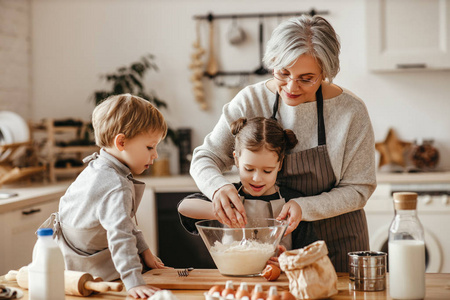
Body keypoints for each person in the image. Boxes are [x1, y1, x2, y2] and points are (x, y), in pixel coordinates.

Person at [189, 15, 376, 272]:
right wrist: (217, 187)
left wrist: (305, 206)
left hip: (336, 240)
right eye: (283, 73)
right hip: (268, 248)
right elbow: (204, 157)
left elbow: (359, 188)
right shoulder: (250, 100)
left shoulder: (350, 112)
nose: (291, 87)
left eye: (306, 78)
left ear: (326, 72)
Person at [41, 94, 169, 299]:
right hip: (89, 272)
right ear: (121, 142)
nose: (155, 155)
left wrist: (144, 250)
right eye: (150, 147)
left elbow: (123, 222)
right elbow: (121, 235)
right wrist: (134, 282)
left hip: (69, 263)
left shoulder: (100, 167)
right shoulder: (115, 185)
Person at [178, 117, 318, 251]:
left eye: (267, 171)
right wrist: (223, 212)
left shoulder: (292, 202)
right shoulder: (230, 195)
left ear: (280, 164)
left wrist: (285, 260)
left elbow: (309, 251)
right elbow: (184, 207)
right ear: (237, 160)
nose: (257, 178)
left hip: (281, 275)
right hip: (233, 274)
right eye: (249, 169)